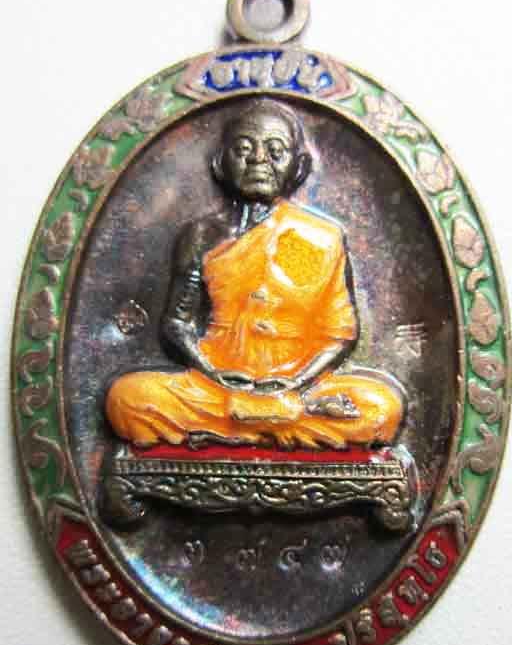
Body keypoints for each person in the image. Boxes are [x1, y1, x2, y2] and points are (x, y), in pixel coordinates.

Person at [105, 98, 404, 449]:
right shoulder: (200, 235)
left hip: (299, 384)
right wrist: (213, 372)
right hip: (217, 385)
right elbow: (177, 323)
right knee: (126, 399)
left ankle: (245, 425)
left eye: (275, 151)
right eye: (243, 149)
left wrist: (297, 381)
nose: (259, 159)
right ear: (221, 164)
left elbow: (339, 334)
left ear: (298, 166)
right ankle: (273, 424)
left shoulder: (318, 237)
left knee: (382, 408)